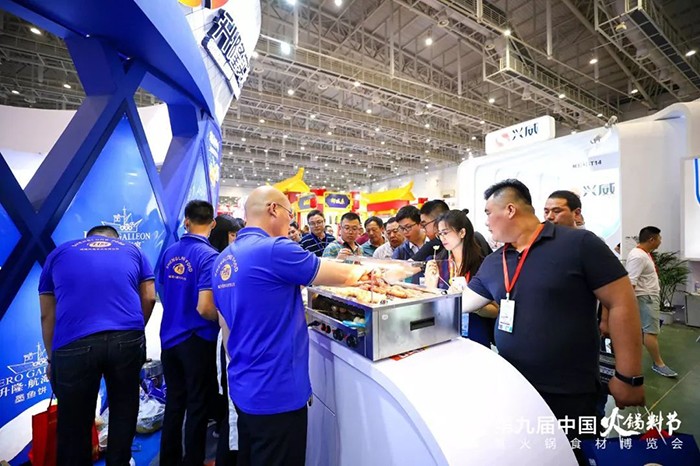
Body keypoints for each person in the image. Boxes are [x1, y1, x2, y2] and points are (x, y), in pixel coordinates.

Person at [458, 179, 644, 460]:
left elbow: (621, 302)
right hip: (516, 389)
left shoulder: (578, 244)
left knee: (574, 456)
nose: (485, 222)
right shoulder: (495, 262)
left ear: (510, 209)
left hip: (571, 393)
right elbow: (462, 303)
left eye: (488, 212)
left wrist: (628, 376)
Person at [212, 186, 382, 466]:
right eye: (290, 214)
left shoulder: (223, 260)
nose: (290, 222)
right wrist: (371, 271)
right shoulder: (274, 249)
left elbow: (226, 328)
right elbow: (340, 275)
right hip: (277, 391)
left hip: (244, 385)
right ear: (273, 210)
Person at [39, 225, 155, 466]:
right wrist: (134, 329)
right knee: (124, 410)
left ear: (87, 238)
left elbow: (47, 315)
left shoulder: (60, 252)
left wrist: (52, 359)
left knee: (74, 422)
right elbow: (149, 297)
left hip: (73, 342)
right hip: (126, 339)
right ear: (116, 239)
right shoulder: (133, 250)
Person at [159, 200, 219, 466]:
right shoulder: (210, 256)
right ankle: (192, 460)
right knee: (197, 405)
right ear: (212, 224)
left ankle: (168, 460)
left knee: (174, 402)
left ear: (186, 221)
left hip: (169, 337)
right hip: (197, 339)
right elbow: (205, 308)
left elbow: (163, 290)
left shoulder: (169, 252)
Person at [424, 210, 496, 347]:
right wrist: (430, 286)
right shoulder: (437, 263)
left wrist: (471, 304)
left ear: (462, 232)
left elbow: (495, 310)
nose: (442, 238)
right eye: (439, 234)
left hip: (476, 337)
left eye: (446, 233)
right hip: (443, 335)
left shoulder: (483, 265)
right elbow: (429, 307)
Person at [626, 226, 678, 377]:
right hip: (646, 298)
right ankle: (658, 364)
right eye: (659, 238)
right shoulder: (638, 256)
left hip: (648, 297)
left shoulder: (643, 253)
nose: (661, 241)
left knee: (646, 332)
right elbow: (631, 283)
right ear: (651, 239)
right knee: (650, 332)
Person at [413, 200, 491, 261]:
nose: (442, 238)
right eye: (440, 234)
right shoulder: (442, 253)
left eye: (424, 225)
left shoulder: (475, 242)